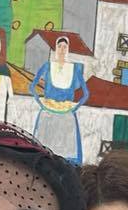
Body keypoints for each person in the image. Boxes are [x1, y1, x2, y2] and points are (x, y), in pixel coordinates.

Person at [30, 34, 91, 163]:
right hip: (48, 115)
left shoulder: (75, 69)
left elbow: (86, 93)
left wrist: (75, 107)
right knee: (43, 154)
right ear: (56, 48)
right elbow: (32, 87)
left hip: (66, 117)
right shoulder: (47, 66)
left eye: (65, 47)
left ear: (68, 49)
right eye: (60, 46)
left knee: (66, 155)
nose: (62, 50)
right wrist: (40, 103)